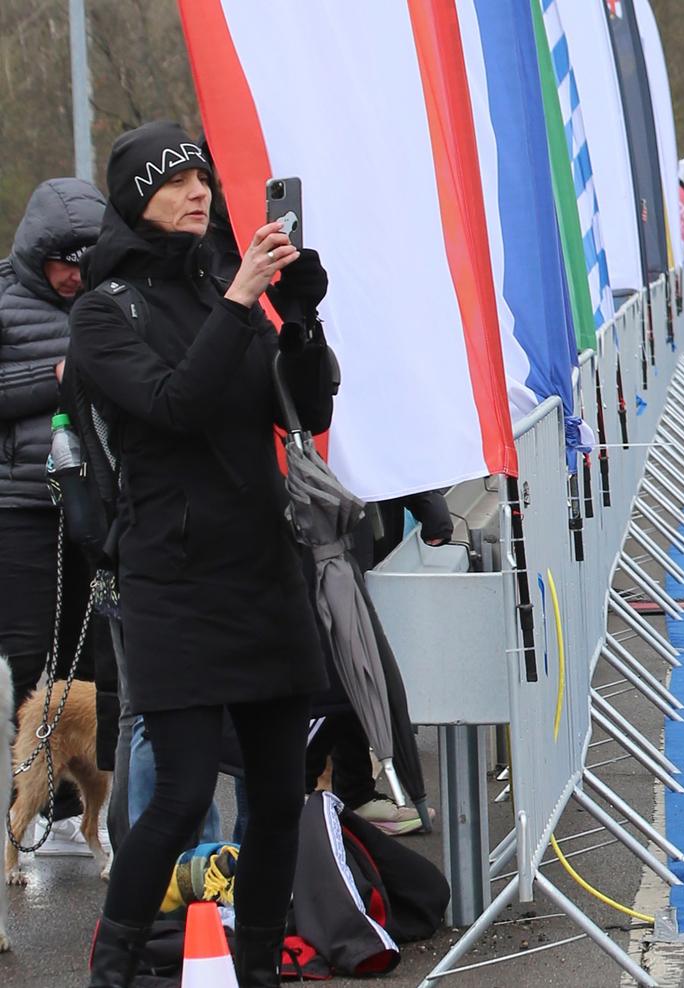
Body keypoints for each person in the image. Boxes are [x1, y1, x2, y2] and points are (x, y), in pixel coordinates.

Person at [68, 121, 338, 986]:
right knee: (181, 793)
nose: (200, 194)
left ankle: (256, 969)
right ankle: (110, 971)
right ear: (135, 199)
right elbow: (176, 405)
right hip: (174, 584)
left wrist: (298, 322)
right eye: (176, 181)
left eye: (203, 180)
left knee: (276, 795)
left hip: (262, 571)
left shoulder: (223, 281)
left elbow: (306, 408)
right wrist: (238, 304)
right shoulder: (104, 312)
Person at [0, 178, 112, 855]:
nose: (74, 276)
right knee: (31, 662)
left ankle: (84, 808)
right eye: (62, 262)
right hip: (20, 506)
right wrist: (59, 374)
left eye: (86, 261)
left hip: (95, 501)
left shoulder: (110, 298)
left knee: (95, 661)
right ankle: (27, 808)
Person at [305, 491, 453, 836]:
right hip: (314, 535)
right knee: (337, 677)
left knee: (351, 676)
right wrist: (430, 507)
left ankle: (351, 794)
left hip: (337, 530)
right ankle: (320, 800)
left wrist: (429, 505)